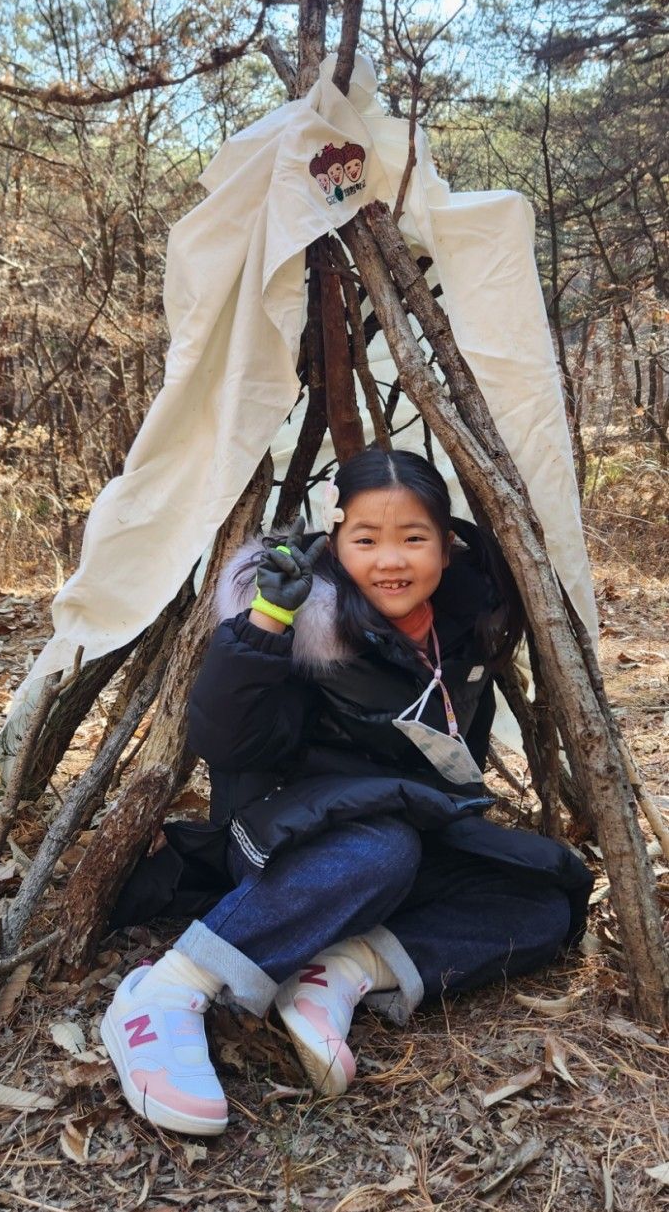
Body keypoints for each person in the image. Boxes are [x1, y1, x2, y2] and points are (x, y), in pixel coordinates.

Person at [100, 448, 592, 1137]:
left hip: (407, 833)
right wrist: (266, 622)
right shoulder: (302, 613)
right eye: (365, 540)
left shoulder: (464, 624)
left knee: (544, 897)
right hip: (290, 844)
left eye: (412, 539)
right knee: (379, 851)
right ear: (336, 543)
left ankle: (336, 972)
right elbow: (231, 744)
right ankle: (166, 992)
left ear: (446, 548)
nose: (390, 560)